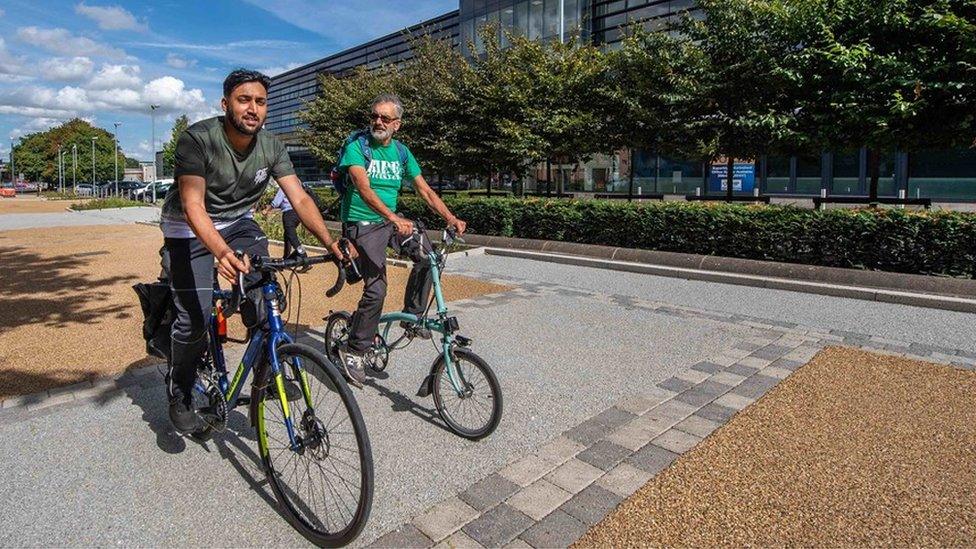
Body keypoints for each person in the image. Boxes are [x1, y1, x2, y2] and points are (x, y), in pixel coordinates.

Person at [160, 68, 354, 433]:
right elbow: (193, 206)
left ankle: (268, 373)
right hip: (187, 228)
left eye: (260, 102)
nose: (253, 108)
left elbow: (298, 197)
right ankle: (180, 389)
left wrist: (331, 243)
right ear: (225, 103)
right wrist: (221, 253)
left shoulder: (272, 146)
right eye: (244, 100)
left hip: (238, 222)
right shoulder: (198, 138)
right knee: (196, 318)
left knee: (267, 299)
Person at [336, 93, 466, 388]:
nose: (377, 122)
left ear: (397, 124)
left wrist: (450, 217)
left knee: (429, 257)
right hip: (363, 223)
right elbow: (364, 189)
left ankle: (412, 316)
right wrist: (394, 218)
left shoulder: (402, 152)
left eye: (385, 118)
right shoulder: (358, 148)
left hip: (391, 221)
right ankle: (354, 351)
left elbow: (425, 191)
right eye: (374, 116)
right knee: (377, 290)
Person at [266, 185, 306, 259]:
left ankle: (304, 257)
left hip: (289, 214)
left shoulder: (284, 186)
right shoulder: (298, 184)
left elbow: (276, 202)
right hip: (298, 213)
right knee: (287, 235)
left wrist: (266, 210)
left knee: (292, 237)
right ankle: (286, 257)